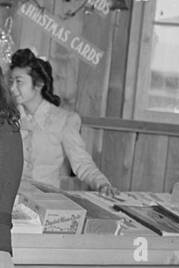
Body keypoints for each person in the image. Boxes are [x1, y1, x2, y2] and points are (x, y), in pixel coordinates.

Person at [9, 47, 115, 196]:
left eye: (19, 82)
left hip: (46, 200)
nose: (12, 88)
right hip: (12, 199)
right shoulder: (9, 118)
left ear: (39, 84)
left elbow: (81, 162)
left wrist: (102, 184)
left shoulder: (64, 120)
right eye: (11, 82)